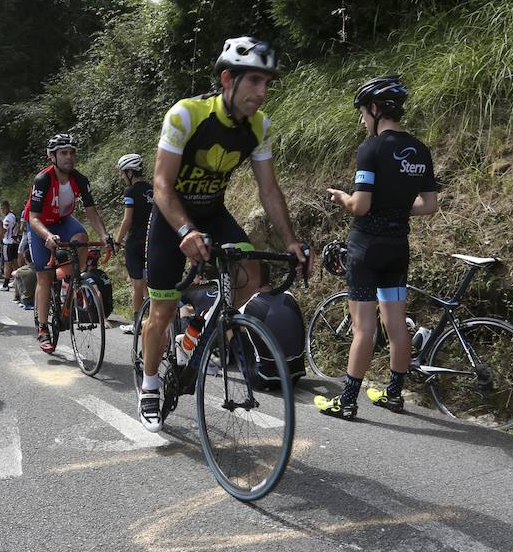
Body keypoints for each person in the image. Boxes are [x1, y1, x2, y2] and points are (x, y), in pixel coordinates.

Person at [138, 37, 310, 432]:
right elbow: (162, 184)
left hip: (213, 211)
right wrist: (185, 229)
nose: (263, 92)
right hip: (171, 216)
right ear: (227, 79)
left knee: (250, 271)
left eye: (267, 83)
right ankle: (150, 385)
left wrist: (291, 241)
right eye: (254, 81)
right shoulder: (187, 114)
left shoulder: (258, 126)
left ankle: (196, 330)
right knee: (162, 310)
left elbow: (269, 189)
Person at [315, 75, 438, 420]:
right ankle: (394, 395)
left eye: (362, 112)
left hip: (366, 248)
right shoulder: (420, 150)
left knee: (364, 328)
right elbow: (429, 205)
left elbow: (361, 206)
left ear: (375, 109)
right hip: (398, 248)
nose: (361, 120)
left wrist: (343, 197)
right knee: (397, 326)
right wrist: (398, 208)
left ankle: (348, 401)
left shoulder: (371, 148)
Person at [23, 133, 113, 353]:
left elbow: (91, 211)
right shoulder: (43, 179)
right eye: (64, 153)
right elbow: (33, 218)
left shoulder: (80, 179)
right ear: (52, 156)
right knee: (44, 276)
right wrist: (47, 236)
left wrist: (103, 234)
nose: (69, 157)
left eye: (72, 153)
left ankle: (74, 280)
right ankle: (43, 327)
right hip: (40, 224)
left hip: (62, 220)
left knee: (81, 239)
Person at [239, 261, 306, 388]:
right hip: (294, 376)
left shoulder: (249, 304)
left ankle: (220, 361)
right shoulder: (289, 296)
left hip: (264, 378)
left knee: (233, 325)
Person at [113, 154, 153, 334]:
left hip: (135, 242)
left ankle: (137, 322)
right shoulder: (153, 189)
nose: (122, 177)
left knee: (137, 284)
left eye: (122, 173)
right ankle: (153, 320)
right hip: (152, 241)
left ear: (130, 172)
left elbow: (127, 219)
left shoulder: (130, 191)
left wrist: (117, 241)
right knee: (150, 283)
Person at [0, 200, 19, 291]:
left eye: (2, 208)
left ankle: (5, 285)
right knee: (15, 263)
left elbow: (4, 230)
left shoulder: (8, 218)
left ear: (6, 207)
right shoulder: (13, 216)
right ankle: (17, 281)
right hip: (14, 243)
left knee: (7, 264)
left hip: (8, 243)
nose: (1, 210)